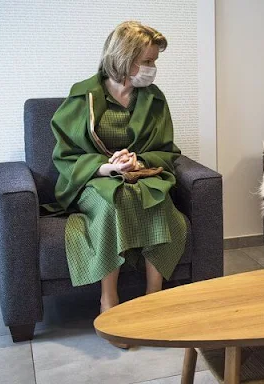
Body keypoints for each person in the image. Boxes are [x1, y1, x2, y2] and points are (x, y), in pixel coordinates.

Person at [51, 21, 186, 345]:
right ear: (124, 57)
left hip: (141, 177)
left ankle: (154, 297)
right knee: (117, 199)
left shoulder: (153, 99)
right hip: (93, 181)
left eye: (155, 61)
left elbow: (166, 150)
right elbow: (65, 155)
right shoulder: (84, 95)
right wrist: (106, 168)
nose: (153, 68)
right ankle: (108, 300)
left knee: (159, 200)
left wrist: (140, 161)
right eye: (148, 61)